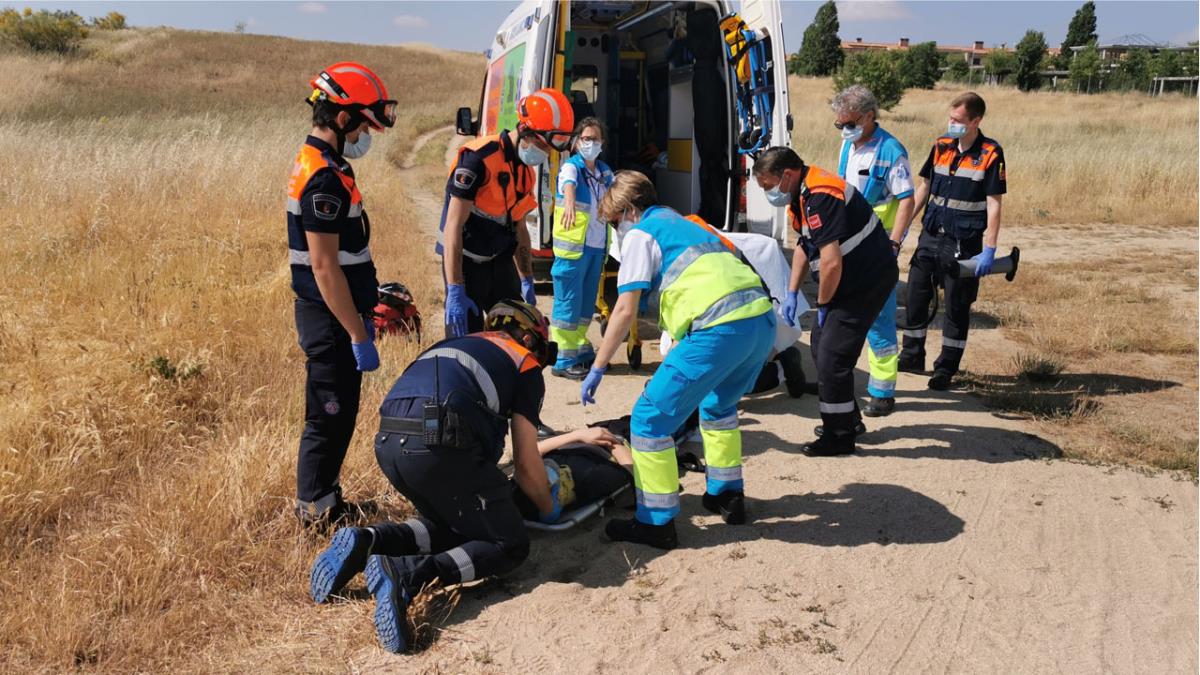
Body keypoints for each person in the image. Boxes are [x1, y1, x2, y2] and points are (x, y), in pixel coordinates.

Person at [308, 299, 620, 653]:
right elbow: (525, 461)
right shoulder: (524, 363)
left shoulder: (458, 346)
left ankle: (369, 541)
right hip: (439, 444)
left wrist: (577, 435)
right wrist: (547, 508)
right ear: (531, 339)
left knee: (459, 525)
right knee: (509, 544)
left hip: (390, 443)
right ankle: (410, 575)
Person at [580, 171, 776, 550]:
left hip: (718, 328)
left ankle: (656, 522)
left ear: (629, 210)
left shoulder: (640, 233)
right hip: (758, 321)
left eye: (615, 221)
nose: (616, 230)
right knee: (718, 406)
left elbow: (623, 310)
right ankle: (727, 495)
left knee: (649, 421)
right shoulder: (689, 225)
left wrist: (599, 366)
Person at [288, 62, 397, 527]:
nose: (366, 135)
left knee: (340, 413)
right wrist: (357, 332)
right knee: (327, 416)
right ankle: (314, 513)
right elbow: (323, 265)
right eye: (364, 124)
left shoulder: (329, 164)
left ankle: (328, 499)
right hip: (331, 318)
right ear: (342, 118)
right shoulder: (323, 178)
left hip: (339, 315)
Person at [753, 147, 898, 457]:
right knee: (821, 345)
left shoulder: (821, 194)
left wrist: (824, 304)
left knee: (833, 356)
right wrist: (791, 291)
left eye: (767, 186)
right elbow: (806, 245)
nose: (767, 193)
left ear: (787, 175)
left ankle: (839, 435)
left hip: (865, 280)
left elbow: (831, 262)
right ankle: (847, 419)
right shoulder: (801, 195)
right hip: (851, 278)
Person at [438, 88, 576, 337]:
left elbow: (520, 228)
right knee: (466, 344)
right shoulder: (477, 160)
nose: (543, 154)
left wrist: (526, 279)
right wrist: (456, 288)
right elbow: (453, 226)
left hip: (499, 263)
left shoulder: (525, 172)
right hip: (466, 264)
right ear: (524, 130)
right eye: (541, 146)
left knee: (518, 338)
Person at [899, 92, 1006, 390]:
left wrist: (990, 248)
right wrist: (904, 225)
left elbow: (994, 203)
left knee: (956, 307)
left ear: (976, 120)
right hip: (931, 236)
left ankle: (946, 367)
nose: (952, 124)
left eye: (958, 120)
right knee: (916, 297)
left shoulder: (990, 153)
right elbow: (924, 188)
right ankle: (911, 355)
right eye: (950, 118)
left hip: (965, 242)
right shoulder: (941, 145)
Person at [832, 85, 914, 418]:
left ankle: (882, 391)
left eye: (849, 123)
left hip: (877, 248)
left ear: (869, 116)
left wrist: (893, 244)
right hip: (846, 243)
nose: (843, 129)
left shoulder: (891, 151)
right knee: (843, 314)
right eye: (839, 124)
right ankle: (840, 377)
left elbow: (906, 200)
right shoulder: (848, 145)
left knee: (879, 318)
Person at [659, 220, 809, 399]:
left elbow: (679, 347)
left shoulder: (684, 269)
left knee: (721, 389)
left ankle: (782, 369)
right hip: (750, 320)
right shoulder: (697, 244)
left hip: (737, 323)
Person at [549, 117, 614, 380]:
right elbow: (568, 184)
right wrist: (570, 200)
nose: (590, 143)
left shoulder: (604, 171)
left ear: (602, 143)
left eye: (595, 139)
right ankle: (562, 358)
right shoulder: (571, 167)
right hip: (573, 249)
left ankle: (578, 346)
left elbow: (615, 193)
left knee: (587, 302)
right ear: (577, 142)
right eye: (586, 139)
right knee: (568, 300)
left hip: (596, 247)